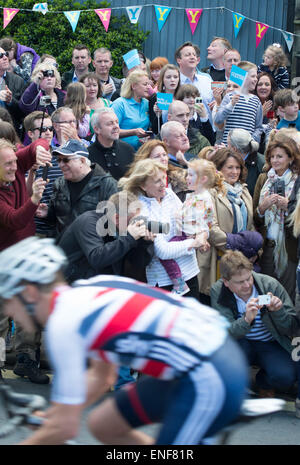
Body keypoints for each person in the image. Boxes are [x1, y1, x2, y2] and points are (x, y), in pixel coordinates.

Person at [0, 235, 248, 444]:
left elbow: (64, 429)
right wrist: (55, 415)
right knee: (104, 424)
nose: (8, 311)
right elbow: (102, 376)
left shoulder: (62, 325)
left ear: (29, 293)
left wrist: (55, 422)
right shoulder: (88, 290)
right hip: (197, 361)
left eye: (7, 301)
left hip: (210, 372)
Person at [211, 250, 297, 397]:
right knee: (224, 369)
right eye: (239, 282)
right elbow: (226, 333)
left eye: (249, 278)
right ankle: (237, 382)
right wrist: (246, 320)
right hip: (240, 342)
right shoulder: (217, 290)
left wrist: (278, 311)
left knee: (286, 376)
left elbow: (291, 328)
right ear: (226, 282)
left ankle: (264, 381)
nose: (247, 285)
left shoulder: (269, 284)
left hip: (270, 342)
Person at [119, 159, 201, 299]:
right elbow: (162, 251)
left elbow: (188, 226)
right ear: (143, 186)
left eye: (164, 177)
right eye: (157, 181)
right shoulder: (140, 210)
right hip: (164, 282)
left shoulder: (169, 194)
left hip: (190, 271)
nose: (163, 183)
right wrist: (193, 243)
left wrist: (197, 236)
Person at [197, 148, 261, 300]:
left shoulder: (244, 191)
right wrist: (238, 247)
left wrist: (252, 251)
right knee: (219, 301)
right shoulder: (208, 192)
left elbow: (250, 225)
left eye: (238, 167)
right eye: (230, 167)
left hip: (242, 260)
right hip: (218, 257)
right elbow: (211, 229)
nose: (235, 172)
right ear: (218, 169)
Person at [58, 190, 154, 284]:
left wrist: (144, 243)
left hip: (101, 284)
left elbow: (137, 264)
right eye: (132, 220)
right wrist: (129, 238)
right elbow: (97, 258)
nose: (135, 224)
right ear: (116, 218)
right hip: (73, 285)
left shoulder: (122, 230)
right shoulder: (88, 222)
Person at [36, 139, 118, 238]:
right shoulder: (59, 183)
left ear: (82, 161)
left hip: (91, 249)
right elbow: (56, 220)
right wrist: (48, 213)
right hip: (64, 247)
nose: (60, 165)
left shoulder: (108, 185)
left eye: (66, 160)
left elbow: (117, 229)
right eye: (59, 160)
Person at [253, 134, 300, 301]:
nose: (275, 160)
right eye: (272, 156)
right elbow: (255, 218)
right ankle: (267, 326)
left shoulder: (297, 181)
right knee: (267, 292)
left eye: (279, 156)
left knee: (286, 294)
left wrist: (290, 206)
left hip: (289, 247)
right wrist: (262, 208)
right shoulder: (264, 178)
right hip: (267, 245)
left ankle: (287, 326)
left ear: (290, 158)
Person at [158, 158, 215, 295]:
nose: (187, 178)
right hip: (186, 233)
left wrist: (197, 237)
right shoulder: (194, 196)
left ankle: (179, 284)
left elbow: (200, 219)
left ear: (203, 179)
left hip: (186, 234)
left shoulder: (202, 198)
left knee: (164, 254)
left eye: (191, 175)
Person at [23, 110, 62, 238]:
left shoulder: (62, 155)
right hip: (36, 228)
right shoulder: (22, 159)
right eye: (43, 128)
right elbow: (26, 194)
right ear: (30, 133)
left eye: (50, 128)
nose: (48, 132)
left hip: (61, 225)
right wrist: (32, 171)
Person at [214, 61, 263, 144]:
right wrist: (230, 105)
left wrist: (251, 141)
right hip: (229, 148)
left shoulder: (256, 101)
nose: (256, 79)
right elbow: (218, 119)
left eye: (256, 76)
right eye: (253, 76)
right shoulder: (229, 97)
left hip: (246, 150)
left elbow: (258, 127)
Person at [88, 108, 135, 181]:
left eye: (117, 122)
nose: (116, 126)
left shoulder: (128, 149)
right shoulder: (88, 156)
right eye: (110, 123)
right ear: (97, 129)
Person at [111, 70, 151, 150]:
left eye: (149, 84)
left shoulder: (147, 103)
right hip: (122, 151)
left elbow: (149, 127)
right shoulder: (119, 104)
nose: (149, 87)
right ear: (133, 86)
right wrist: (133, 132)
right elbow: (111, 130)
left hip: (142, 152)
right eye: (145, 84)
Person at [175, 42, 214, 122]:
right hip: (180, 129)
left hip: (206, 129)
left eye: (194, 55)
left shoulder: (207, 80)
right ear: (179, 60)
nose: (192, 57)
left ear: (198, 60)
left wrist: (216, 104)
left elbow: (215, 103)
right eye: (187, 55)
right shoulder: (173, 81)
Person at [227, 128, 264, 197]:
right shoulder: (231, 161)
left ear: (234, 149)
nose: (226, 147)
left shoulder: (261, 164)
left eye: (228, 144)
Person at [0, 45, 27, 133]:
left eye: (6, 54)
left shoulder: (18, 80)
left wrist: (10, 101)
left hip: (11, 132)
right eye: (1, 55)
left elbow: (23, 112)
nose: (5, 58)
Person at [148, 63, 181, 135]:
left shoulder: (182, 96)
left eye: (175, 77)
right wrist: (158, 116)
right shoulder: (155, 98)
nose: (172, 80)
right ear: (162, 79)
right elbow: (155, 129)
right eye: (168, 77)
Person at [254, 72, 278, 152]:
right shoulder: (251, 102)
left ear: (271, 88)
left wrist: (274, 124)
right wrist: (261, 114)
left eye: (267, 84)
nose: (263, 87)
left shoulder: (275, 103)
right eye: (260, 84)